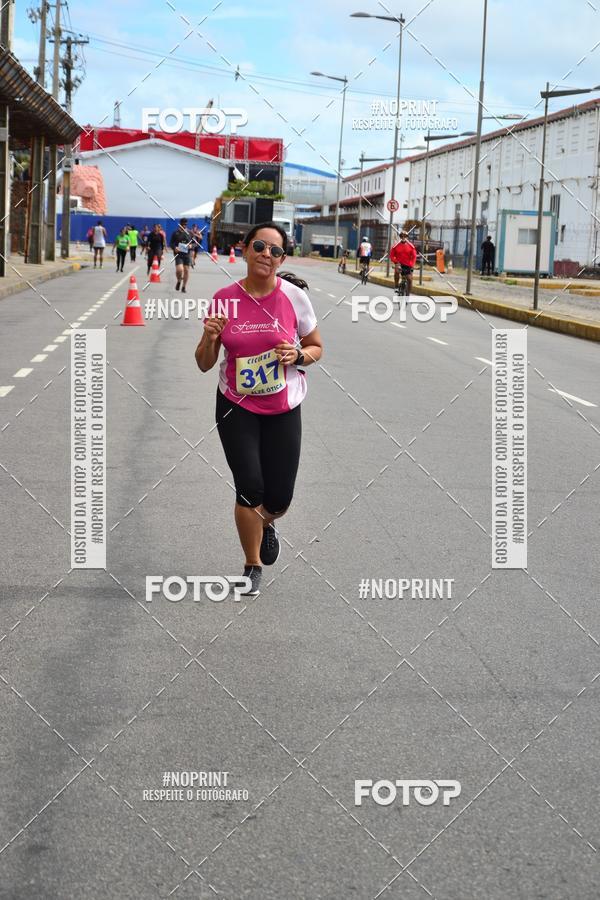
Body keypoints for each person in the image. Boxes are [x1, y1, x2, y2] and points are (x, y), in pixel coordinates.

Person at [195, 222, 324, 597]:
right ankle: (251, 566)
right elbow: (204, 363)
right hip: (236, 404)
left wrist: (299, 354)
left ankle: (266, 522)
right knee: (249, 486)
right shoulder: (224, 299)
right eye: (260, 246)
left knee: (279, 496)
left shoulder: (294, 298)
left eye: (275, 250)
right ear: (246, 249)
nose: (266, 254)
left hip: (283, 405)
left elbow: (316, 346)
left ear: (282, 258)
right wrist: (210, 336)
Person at [390, 230, 417, 296]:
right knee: (396, 271)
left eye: (405, 236)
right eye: (402, 236)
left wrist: (412, 264)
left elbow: (414, 256)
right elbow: (391, 256)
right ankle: (396, 286)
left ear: (407, 237)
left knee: (410, 279)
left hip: (408, 265)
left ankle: (408, 294)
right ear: (400, 237)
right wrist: (396, 262)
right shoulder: (395, 246)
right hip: (399, 264)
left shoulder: (411, 246)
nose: (403, 237)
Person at [169, 217, 192, 291]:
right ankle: (179, 280)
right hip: (178, 254)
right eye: (182, 224)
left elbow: (195, 243)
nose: (184, 226)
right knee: (179, 269)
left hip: (187, 254)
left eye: (185, 224)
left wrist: (191, 246)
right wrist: (174, 248)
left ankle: (184, 287)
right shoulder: (175, 233)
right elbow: (171, 243)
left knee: (186, 270)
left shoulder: (190, 233)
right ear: (180, 224)